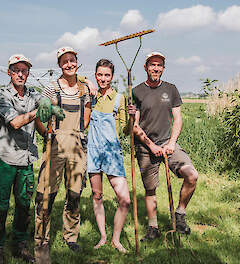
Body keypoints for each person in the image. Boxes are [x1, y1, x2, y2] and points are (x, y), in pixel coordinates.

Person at [0, 54, 62, 264]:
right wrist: (39, 111)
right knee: (0, 206)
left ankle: (19, 245)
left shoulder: (32, 94)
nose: (21, 74)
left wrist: (50, 105)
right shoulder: (1, 95)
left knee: (23, 206)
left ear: (28, 73)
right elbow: (16, 122)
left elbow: (47, 101)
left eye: (24, 70)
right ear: (9, 72)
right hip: (4, 159)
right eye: (16, 70)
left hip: (26, 159)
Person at [34, 46, 97, 263]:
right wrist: (48, 135)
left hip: (77, 146)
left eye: (72, 60)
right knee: (46, 196)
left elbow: (87, 111)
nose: (69, 64)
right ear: (59, 65)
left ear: (77, 62)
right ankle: (42, 240)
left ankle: (71, 236)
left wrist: (78, 130)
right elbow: (39, 118)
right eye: (64, 61)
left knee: (74, 194)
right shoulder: (52, 89)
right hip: (55, 146)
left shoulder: (84, 89)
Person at [130, 52, 199, 241]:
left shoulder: (172, 89)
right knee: (150, 188)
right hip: (146, 146)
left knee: (192, 175)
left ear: (163, 68)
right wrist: (151, 145)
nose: (156, 68)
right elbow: (134, 126)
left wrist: (172, 143)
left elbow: (178, 119)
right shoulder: (136, 92)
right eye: (152, 65)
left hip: (168, 143)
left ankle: (180, 214)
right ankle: (153, 227)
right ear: (145, 67)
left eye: (159, 65)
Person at [87, 59, 131, 253]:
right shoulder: (91, 96)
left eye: (106, 75)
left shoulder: (120, 99)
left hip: (112, 152)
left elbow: (126, 130)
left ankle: (116, 239)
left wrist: (133, 118)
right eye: (99, 74)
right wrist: (87, 82)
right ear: (95, 75)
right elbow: (74, 76)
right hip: (93, 151)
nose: (103, 78)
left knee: (124, 200)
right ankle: (103, 237)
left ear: (112, 77)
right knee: (97, 195)